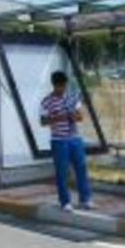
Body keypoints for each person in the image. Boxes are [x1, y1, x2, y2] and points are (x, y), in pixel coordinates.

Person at [40, 71, 94, 212]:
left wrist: (73, 116)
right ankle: (65, 202)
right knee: (62, 172)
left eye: (64, 86)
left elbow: (80, 116)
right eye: (59, 86)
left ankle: (85, 199)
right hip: (59, 140)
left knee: (81, 168)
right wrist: (60, 117)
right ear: (54, 85)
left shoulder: (72, 98)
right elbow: (43, 121)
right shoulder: (47, 101)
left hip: (75, 138)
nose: (62, 89)